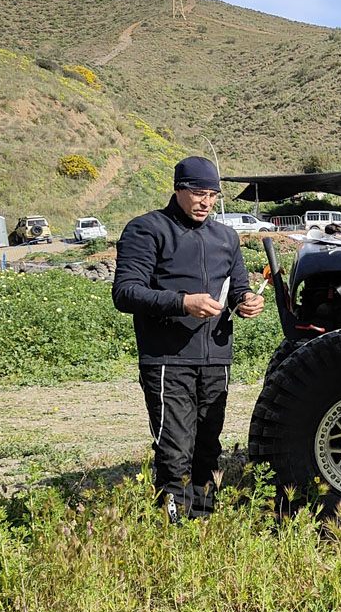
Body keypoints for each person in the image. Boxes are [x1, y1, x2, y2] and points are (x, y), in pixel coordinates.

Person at [112, 156, 264, 522]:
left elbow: (238, 287)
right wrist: (182, 303)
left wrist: (247, 301)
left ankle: (204, 519)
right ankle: (173, 524)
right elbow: (125, 293)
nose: (206, 202)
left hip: (216, 357)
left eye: (212, 195)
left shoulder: (226, 237)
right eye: (198, 193)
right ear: (178, 189)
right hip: (167, 359)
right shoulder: (147, 229)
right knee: (175, 448)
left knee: (208, 447)